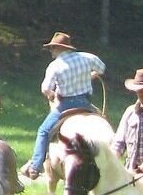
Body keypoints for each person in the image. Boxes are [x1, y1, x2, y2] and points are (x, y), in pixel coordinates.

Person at [19, 32, 106, 180]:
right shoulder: (87, 57)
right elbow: (102, 69)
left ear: (59, 48)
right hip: (85, 103)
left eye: (52, 48)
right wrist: (89, 76)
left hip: (65, 105)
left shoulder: (55, 66)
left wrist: (51, 95)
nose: (51, 51)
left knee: (44, 131)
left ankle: (35, 166)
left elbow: (45, 88)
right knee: (103, 121)